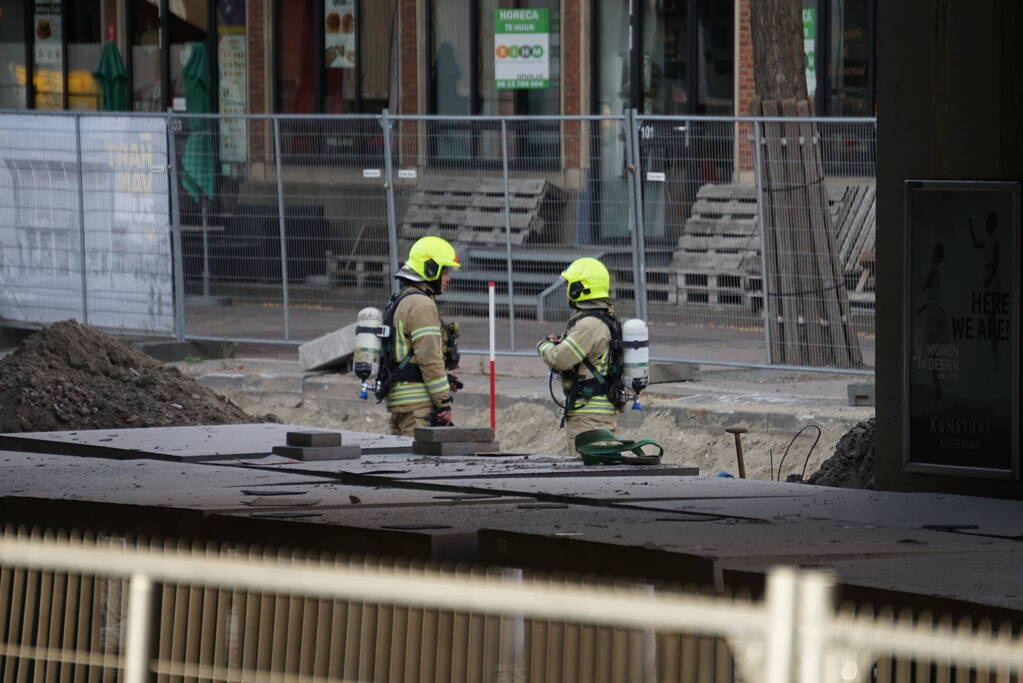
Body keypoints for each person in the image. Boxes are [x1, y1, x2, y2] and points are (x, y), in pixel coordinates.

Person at [537, 257, 624, 456]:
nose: (567, 288)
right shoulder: (607, 319)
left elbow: (560, 359)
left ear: (579, 288)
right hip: (601, 414)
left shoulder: (589, 325)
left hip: (588, 418)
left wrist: (543, 346)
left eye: (570, 284)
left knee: (586, 477)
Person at [380, 236, 461, 436]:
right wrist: (443, 403)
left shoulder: (402, 299)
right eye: (446, 271)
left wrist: (446, 377)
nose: (448, 278)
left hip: (401, 404)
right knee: (421, 465)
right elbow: (429, 359)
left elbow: (408, 354)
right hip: (419, 408)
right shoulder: (422, 305)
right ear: (431, 270)